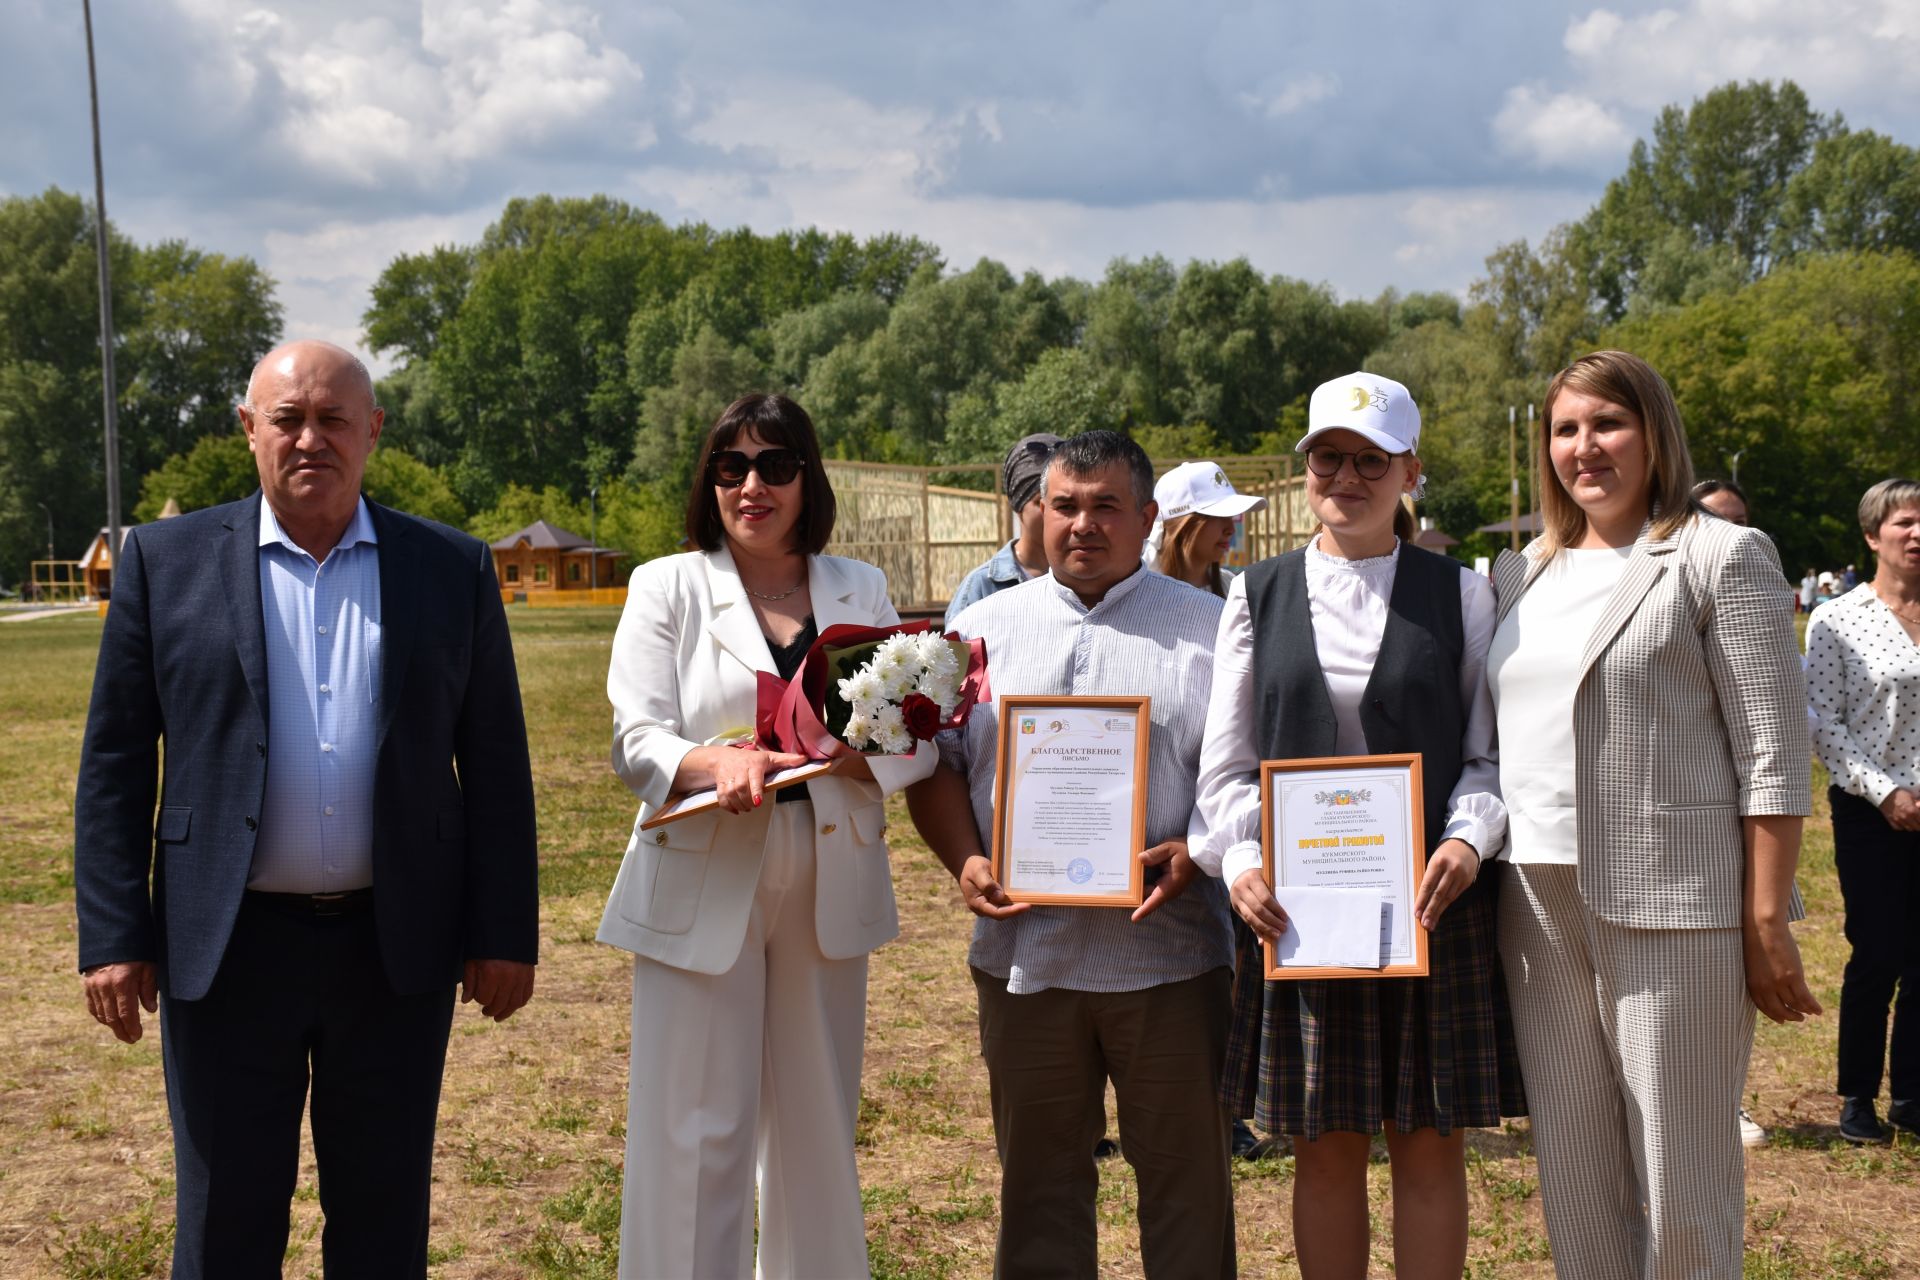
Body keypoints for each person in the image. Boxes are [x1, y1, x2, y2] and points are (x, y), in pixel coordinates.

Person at [74, 340, 540, 1278]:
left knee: (382, 1222)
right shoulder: (164, 564)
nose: (310, 439)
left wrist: (505, 930)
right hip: (227, 949)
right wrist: (115, 933)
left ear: (372, 431)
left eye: (333, 419)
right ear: (249, 430)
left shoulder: (450, 568)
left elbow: (494, 763)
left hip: (394, 948)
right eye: (287, 418)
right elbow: (117, 760)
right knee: (224, 1225)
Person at [1487, 350, 1816, 1278]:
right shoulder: (1524, 571)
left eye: (1606, 424)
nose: (1583, 448)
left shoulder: (1722, 555)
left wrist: (1764, 916)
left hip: (1677, 901)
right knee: (1574, 1174)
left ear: (1654, 431)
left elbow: (1772, 752)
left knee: (1682, 1179)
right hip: (1534, 899)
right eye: (1565, 429)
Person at [599, 394, 936, 1278]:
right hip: (707, 863)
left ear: (807, 478)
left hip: (829, 871)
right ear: (709, 481)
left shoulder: (858, 586)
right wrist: (717, 766)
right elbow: (636, 740)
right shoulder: (666, 585)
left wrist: (877, 761)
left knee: (817, 1120)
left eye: (775, 465)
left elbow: (907, 736)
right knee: (694, 1127)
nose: (753, 485)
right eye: (730, 466)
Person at [1195, 372, 1521, 1279]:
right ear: (1305, 469)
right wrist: (1245, 860)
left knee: (1427, 1144)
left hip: (1429, 904)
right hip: (1301, 910)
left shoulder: (1461, 593)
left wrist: (1468, 839)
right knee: (1327, 1146)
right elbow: (1225, 766)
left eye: (1370, 460)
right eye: (1328, 458)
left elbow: (1487, 755)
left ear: (1409, 470)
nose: (1346, 477)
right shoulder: (1253, 595)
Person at [906, 430, 1237, 1278]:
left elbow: (1246, 774)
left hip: (1169, 959)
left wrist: (1198, 851)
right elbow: (932, 767)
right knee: (1040, 1193)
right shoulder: (976, 629)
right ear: (1037, 512)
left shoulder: (1211, 628)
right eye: (1065, 505)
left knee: (1187, 1190)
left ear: (1148, 518)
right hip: (1026, 958)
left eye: (1105, 506)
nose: (1083, 525)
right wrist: (967, 862)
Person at [1807, 478, 1920, 1144]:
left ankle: (1912, 1093)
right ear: (1873, 535)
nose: (1917, 534)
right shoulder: (1837, 618)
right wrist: (1886, 792)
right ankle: (1858, 1096)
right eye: (1905, 522)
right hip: (1869, 811)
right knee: (1876, 954)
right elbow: (1826, 723)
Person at [944, 432, 1063, 628]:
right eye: (1039, 503)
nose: (1052, 513)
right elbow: (957, 657)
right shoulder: (983, 586)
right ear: (1017, 504)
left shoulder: (1087, 579)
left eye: (1064, 505)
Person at [1150, 459, 1268, 596]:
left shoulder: (1234, 589)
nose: (1231, 530)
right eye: (1219, 515)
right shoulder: (1141, 596)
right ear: (1182, 525)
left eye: (1231, 516)